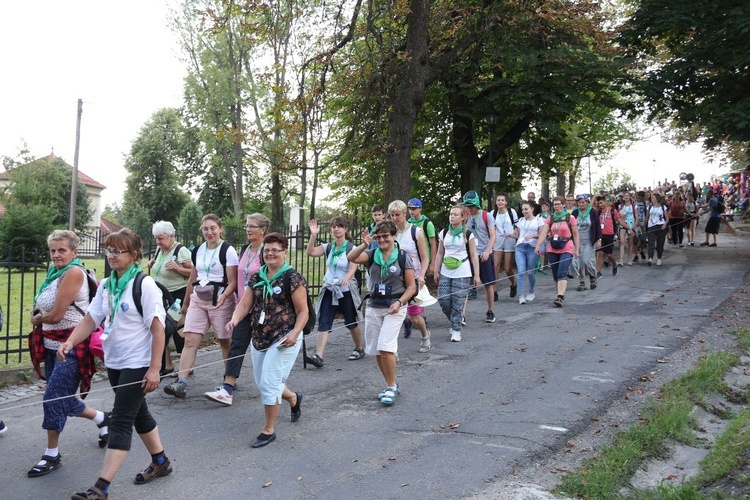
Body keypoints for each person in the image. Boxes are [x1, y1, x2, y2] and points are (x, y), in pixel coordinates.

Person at [61, 228, 170, 500]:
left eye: (117, 251)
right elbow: (91, 318)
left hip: (138, 362)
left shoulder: (144, 285)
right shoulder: (109, 284)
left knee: (121, 420)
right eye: (109, 250)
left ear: (133, 255)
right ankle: (161, 462)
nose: (111, 255)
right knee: (139, 413)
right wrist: (70, 342)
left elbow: (158, 329)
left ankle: (101, 487)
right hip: (116, 361)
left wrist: (155, 368)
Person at [27, 230, 110, 478]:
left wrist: (38, 318)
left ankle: (51, 454)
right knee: (60, 395)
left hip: (72, 347)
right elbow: (46, 307)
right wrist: (41, 315)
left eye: (61, 250)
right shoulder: (55, 273)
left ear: (74, 252)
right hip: (52, 346)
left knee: (53, 398)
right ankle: (103, 418)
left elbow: (57, 314)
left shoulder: (73, 272)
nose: (56, 254)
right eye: (53, 250)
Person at [225, 233, 306, 448]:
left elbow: (303, 311)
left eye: (275, 250)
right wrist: (234, 319)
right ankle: (293, 398)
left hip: (284, 337)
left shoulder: (292, 277)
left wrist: (295, 333)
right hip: (260, 336)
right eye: (267, 250)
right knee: (264, 383)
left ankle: (268, 430)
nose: (270, 253)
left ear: (284, 253)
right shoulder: (258, 277)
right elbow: (244, 304)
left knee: (269, 383)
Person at [164, 214, 238, 399]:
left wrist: (224, 298)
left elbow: (233, 282)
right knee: (190, 340)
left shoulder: (227, 250)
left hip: (220, 300)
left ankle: (229, 379)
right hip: (199, 299)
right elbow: (192, 278)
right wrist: (186, 303)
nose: (209, 232)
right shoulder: (198, 250)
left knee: (224, 340)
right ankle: (181, 382)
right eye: (206, 229)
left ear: (220, 228)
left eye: (213, 228)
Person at [348, 220, 416, 405]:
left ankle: (392, 386)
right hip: (374, 306)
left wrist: (400, 302)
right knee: (378, 350)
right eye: (379, 236)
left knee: (385, 347)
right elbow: (351, 257)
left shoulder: (402, 257)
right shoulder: (371, 254)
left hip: (395, 306)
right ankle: (389, 384)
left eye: (386, 235)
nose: (382, 239)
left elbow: (411, 287)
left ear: (394, 236)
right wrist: (365, 244)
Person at [204, 213, 269, 406]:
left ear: (263, 230)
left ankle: (281, 389)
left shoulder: (267, 251)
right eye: (247, 226)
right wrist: (226, 296)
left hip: (262, 308)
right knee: (237, 345)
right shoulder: (245, 249)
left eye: (252, 226)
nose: (248, 229)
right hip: (243, 306)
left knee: (265, 348)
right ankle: (228, 388)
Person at [304, 217, 364, 366]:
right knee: (324, 321)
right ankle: (319, 356)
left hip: (346, 290)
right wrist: (313, 235)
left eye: (340, 226)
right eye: (334, 227)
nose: (336, 229)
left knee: (351, 321)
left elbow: (353, 267)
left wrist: (348, 278)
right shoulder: (328, 247)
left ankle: (359, 348)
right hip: (330, 288)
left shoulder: (351, 248)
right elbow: (310, 252)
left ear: (346, 229)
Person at [145, 221, 192, 376]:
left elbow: (193, 272)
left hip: (177, 296)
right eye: (156, 238)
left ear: (171, 236)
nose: (158, 242)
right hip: (161, 295)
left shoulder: (181, 250)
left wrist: (178, 268)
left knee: (176, 329)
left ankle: (186, 366)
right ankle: (167, 365)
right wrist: (153, 263)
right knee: (160, 329)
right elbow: (161, 267)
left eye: (161, 238)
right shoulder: (161, 250)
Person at [433, 205, 480, 342]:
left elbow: (473, 255)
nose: (452, 216)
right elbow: (440, 252)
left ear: (463, 217)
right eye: (451, 214)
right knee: (443, 299)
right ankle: (455, 320)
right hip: (446, 270)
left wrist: (476, 274)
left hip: (462, 270)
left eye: (455, 214)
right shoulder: (444, 232)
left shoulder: (468, 234)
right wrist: (436, 270)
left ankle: (456, 329)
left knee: (458, 302)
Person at [389, 200, 431, 346]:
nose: (395, 218)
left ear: (404, 214)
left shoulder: (416, 232)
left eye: (397, 215)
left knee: (414, 317)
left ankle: (425, 335)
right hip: (395, 278)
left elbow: (425, 257)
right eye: (392, 215)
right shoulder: (390, 233)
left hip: (413, 278)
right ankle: (391, 350)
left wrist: (421, 276)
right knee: (392, 315)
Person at [535, 196, 580, 307]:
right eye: (554, 204)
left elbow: (575, 234)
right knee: (555, 275)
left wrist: (577, 249)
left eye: (559, 204)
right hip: (552, 248)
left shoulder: (570, 218)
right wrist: (538, 246)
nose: (557, 206)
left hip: (567, 247)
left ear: (564, 205)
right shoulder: (550, 218)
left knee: (562, 272)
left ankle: (560, 296)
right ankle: (560, 294)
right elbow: (544, 233)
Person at [461, 190, 497, 322]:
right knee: (465, 284)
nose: (469, 208)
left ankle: (490, 311)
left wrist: (487, 251)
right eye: (467, 206)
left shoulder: (487, 216)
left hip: (484, 253)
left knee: (488, 284)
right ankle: (462, 314)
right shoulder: (466, 216)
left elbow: (493, 236)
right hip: (470, 254)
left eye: (471, 206)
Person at [514, 202, 544, 304]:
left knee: (530, 272)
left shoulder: (539, 220)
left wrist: (532, 236)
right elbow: (517, 235)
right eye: (522, 210)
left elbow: (542, 234)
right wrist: (510, 234)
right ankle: (521, 295)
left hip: (532, 247)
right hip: (520, 247)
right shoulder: (521, 220)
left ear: (532, 209)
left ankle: (531, 292)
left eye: (526, 209)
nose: (524, 211)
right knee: (521, 271)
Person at [570, 195, 602, 291]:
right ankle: (582, 282)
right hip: (577, 240)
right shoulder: (575, 213)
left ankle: (593, 277)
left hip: (589, 240)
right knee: (577, 261)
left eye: (583, 202)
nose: (581, 204)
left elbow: (597, 226)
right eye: (579, 202)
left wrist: (599, 239)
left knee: (586, 261)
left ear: (587, 202)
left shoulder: (593, 212)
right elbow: (570, 226)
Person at [492, 193, 518, 299]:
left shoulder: (512, 212)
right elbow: (490, 227)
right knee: (495, 266)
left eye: (502, 200)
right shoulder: (492, 213)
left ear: (506, 202)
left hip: (509, 239)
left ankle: (513, 284)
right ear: (496, 202)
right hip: (498, 239)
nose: (500, 202)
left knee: (507, 268)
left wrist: (515, 233)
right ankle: (494, 292)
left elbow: (516, 226)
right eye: (498, 200)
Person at [407, 198, 437, 268]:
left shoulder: (427, 223)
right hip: (412, 261)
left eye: (414, 209)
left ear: (420, 209)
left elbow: (433, 244)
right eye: (410, 209)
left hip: (426, 261)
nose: (411, 211)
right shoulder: (408, 223)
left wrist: (433, 263)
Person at [596, 195, 621, 276]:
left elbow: (619, 221)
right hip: (600, 235)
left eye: (602, 203)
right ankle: (598, 272)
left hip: (609, 235)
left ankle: (615, 263)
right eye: (599, 203)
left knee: (609, 254)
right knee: (600, 253)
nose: (600, 205)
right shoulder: (598, 211)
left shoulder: (613, 211)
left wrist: (629, 228)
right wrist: (596, 196)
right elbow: (590, 205)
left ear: (607, 202)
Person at [646, 193, 670, 265]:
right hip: (651, 226)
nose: (652, 199)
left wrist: (665, 224)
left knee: (660, 243)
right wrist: (645, 225)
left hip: (661, 226)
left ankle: (659, 257)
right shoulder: (649, 207)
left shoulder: (663, 207)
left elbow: (667, 217)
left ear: (657, 199)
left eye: (653, 198)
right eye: (651, 198)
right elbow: (647, 217)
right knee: (651, 242)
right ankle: (650, 258)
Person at [617, 192, 639, 265]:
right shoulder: (621, 206)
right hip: (623, 223)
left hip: (631, 223)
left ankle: (630, 258)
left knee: (630, 242)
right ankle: (621, 259)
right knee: (622, 241)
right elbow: (618, 216)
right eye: (625, 195)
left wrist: (635, 224)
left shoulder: (634, 206)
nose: (626, 197)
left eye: (627, 195)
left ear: (630, 197)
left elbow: (636, 216)